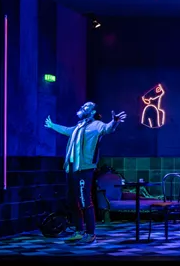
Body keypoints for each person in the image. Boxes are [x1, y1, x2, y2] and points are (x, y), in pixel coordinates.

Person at [44, 102, 126, 244]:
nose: (82, 107)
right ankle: (79, 231)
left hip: (84, 169)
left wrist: (114, 122)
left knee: (84, 201)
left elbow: (107, 129)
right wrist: (52, 125)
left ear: (93, 112)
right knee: (72, 201)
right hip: (71, 168)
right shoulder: (79, 126)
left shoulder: (96, 125)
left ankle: (90, 233)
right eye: (83, 106)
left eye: (86, 106)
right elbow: (67, 130)